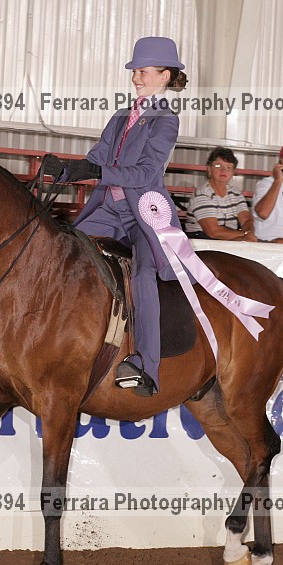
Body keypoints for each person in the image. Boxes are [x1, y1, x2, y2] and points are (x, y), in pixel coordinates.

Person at [59, 36, 188, 397]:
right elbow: (97, 157)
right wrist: (67, 170)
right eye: (135, 72)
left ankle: (146, 365)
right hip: (108, 208)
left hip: (145, 212)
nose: (136, 78)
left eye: (143, 72)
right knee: (62, 250)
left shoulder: (166, 120)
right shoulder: (120, 117)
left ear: (164, 76)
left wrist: (99, 173)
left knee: (144, 275)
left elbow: (146, 173)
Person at [185, 147, 257, 241]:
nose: (224, 170)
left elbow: (247, 220)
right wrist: (246, 235)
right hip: (202, 243)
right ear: (209, 169)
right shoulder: (202, 194)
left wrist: (248, 232)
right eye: (218, 166)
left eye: (229, 167)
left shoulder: (236, 194)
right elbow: (213, 232)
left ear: (233, 172)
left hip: (226, 240)